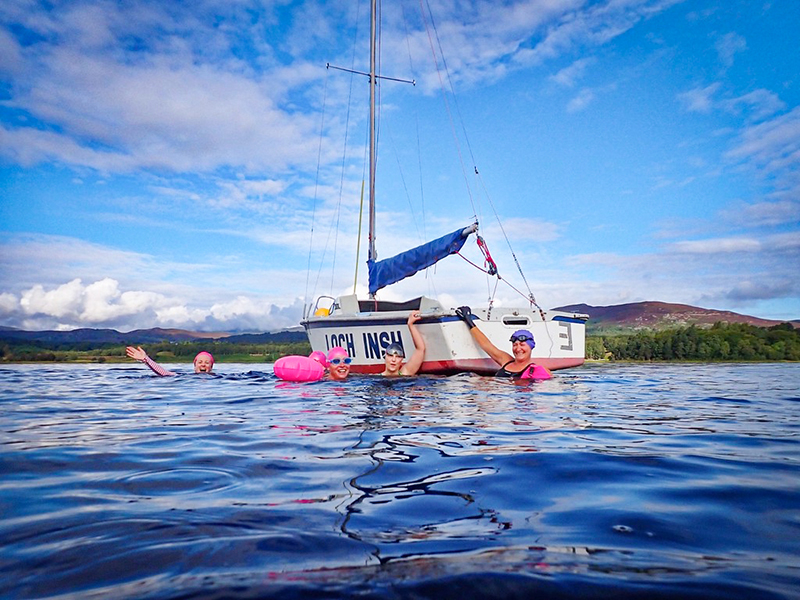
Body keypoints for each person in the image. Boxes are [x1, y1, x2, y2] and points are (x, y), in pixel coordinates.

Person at [455, 306, 550, 379]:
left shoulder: (537, 371)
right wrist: (468, 320)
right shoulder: (507, 361)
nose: (518, 349)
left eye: (522, 345)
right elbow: (486, 345)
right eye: (515, 345)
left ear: (531, 346)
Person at [381, 311, 426, 376]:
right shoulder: (374, 379)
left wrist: (410, 324)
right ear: (385, 357)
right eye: (390, 356)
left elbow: (420, 349)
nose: (393, 360)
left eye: (398, 357)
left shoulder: (406, 373)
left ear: (401, 360)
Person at [126, 346, 214, 376]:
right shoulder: (186, 377)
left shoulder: (218, 378)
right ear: (195, 366)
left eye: (207, 363)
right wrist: (146, 360)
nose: (203, 365)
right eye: (200, 362)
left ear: (211, 367)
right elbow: (165, 373)